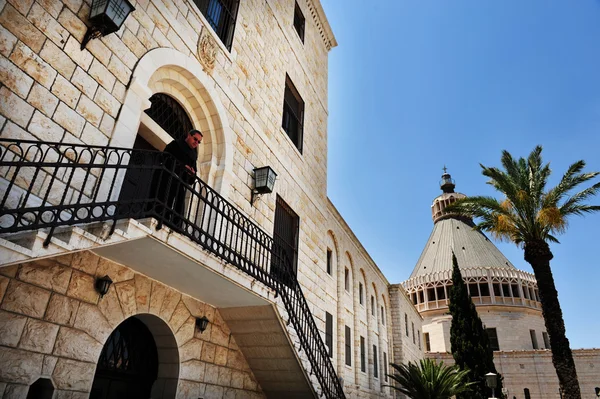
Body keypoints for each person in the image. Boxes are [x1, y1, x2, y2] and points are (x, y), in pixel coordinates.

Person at [153, 129, 203, 227]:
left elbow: (192, 179)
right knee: (162, 199)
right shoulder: (175, 145)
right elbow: (165, 158)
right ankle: (158, 219)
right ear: (189, 135)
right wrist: (183, 167)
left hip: (179, 183)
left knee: (178, 205)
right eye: (195, 139)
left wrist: (192, 174)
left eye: (198, 142)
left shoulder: (193, 156)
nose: (196, 143)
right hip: (165, 178)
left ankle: (175, 226)